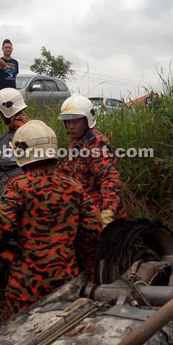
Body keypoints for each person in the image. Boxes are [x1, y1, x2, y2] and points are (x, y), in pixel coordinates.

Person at [0, 119, 101, 314]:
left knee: (20, 337)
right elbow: (95, 228)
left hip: (26, 286)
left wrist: (0, 251)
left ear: (22, 151)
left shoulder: (17, 186)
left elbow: (2, 228)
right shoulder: (73, 186)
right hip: (67, 283)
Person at [57, 95, 127, 278]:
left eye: (75, 121)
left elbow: (110, 179)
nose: (71, 126)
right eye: (67, 122)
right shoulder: (75, 145)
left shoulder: (96, 144)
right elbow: (65, 172)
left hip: (101, 217)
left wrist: (108, 213)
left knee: (103, 267)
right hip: (84, 215)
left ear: (87, 120)